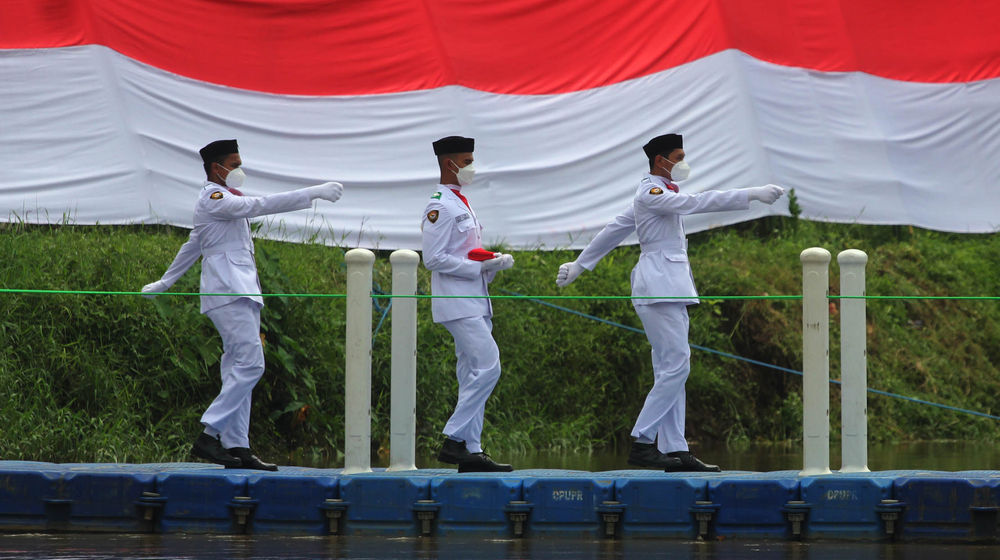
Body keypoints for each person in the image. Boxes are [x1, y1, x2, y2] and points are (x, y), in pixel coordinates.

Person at [555, 133, 784, 472]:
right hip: (657, 288)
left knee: (671, 369)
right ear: (660, 161)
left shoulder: (657, 194)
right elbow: (696, 203)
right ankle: (643, 441)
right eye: (678, 157)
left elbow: (614, 229)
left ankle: (675, 448)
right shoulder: (651, 193)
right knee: (678, 364)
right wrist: (750, 193)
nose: (683, 163)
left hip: (670, 288)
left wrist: (580, 264)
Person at [141, 139, 343, 470]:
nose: (239, 170)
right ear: (216, 168)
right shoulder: (214, 199)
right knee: (251, 365)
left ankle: (237, 446)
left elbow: (193, 245)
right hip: (228, 292)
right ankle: (209, 434)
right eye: (234, 165)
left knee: (238, 368)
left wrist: (166, 281)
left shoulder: (223, 199)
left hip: (241, 292)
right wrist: (312, 193)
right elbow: (258, 205)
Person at [421, 136, 515, 473]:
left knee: (472, 373)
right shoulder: (440, 206)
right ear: (450, 164)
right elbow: (433, 259)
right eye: (467, 161)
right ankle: (453, 438)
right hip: (456, 302)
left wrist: (491, 264)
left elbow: (465, 252)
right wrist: (477, 268)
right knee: (490, 366)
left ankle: (470, 450)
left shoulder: (462, 202)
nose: (472, 168)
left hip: (475, 300)